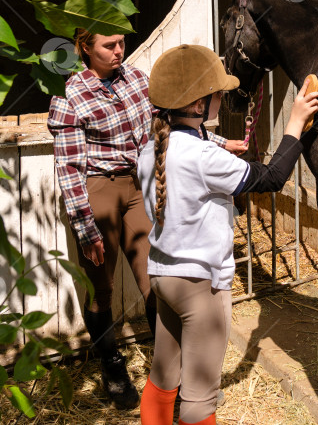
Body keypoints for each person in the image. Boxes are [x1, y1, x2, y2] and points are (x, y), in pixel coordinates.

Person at [47, 31, 246, 409]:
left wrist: (219, 144)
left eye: (121, 42)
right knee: (101, 286)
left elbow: (167, 125)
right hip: (98, 188)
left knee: (152, 277)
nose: (119, 50)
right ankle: (112, 365)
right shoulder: (71, 95)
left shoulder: (138, 80)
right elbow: (69, 167)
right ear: (85, 47)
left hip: (140, 183)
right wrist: (86, 227)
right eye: (109, 45)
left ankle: (171, 373)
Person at [137, 44, 318, 425]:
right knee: (200, 400)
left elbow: (200, 153)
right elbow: (271, 178)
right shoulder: (204, 157)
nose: (223, 98)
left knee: (163, 376)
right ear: (198, 104)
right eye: (218, 93)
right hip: (200, 286)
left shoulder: (153, 146)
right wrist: (295, 123)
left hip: (162, 277)